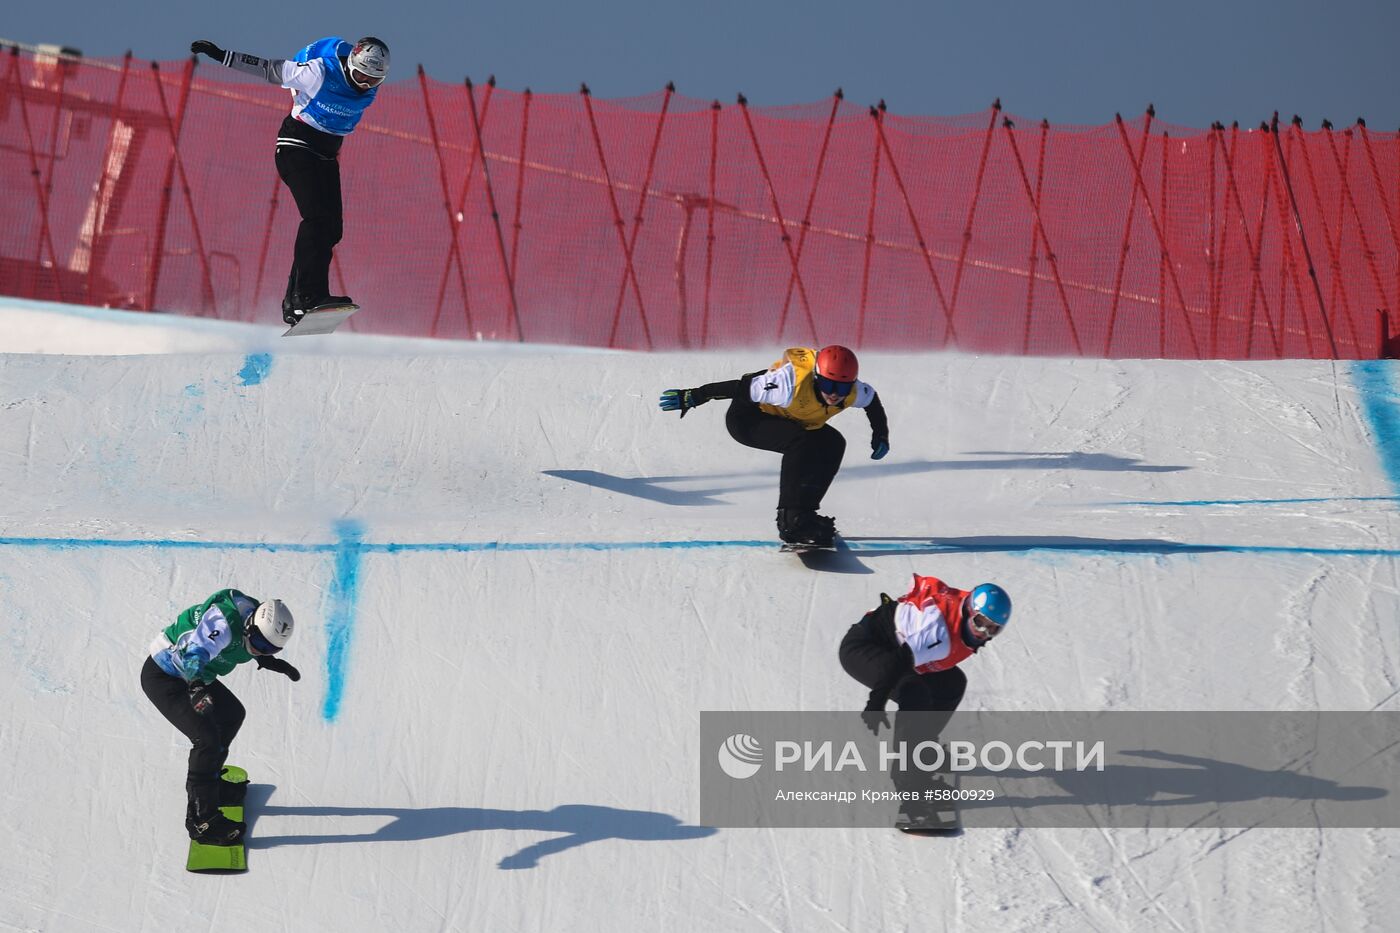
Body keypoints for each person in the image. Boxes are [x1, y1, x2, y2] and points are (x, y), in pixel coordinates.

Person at [189, 35, 390, 325]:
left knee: (332, 228)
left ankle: (294, 302)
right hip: (297, 147)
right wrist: (222, 55)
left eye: (373, 80)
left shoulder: (368, 86)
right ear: (351, 65)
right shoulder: (319, 72)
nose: (364, 84)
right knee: (317, 220)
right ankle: (309, 297)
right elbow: (269, 69)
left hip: (325, 156)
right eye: (360, 75)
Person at [658, 345, 889, 547]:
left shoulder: (854, 391)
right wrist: (695, 396)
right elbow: (739, 387)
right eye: (828, 384)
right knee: (800, 441)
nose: (834, 395)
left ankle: (806, 513)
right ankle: (789, 519)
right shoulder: (788, 383)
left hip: (791, 420)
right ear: (817, 377)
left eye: (842, 388)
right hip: (748, 419)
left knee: (834, 443)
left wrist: (881, 434)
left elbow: (872, 402)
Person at [838, 574, 1011, 830]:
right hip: (865, 647)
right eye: (980, 622)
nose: (984, 632)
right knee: (914, 694)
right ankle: (912, 792)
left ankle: (923, 752)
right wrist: (876, 701)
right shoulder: (938, 634)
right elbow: (897, 664)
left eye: (993, 628)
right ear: (969, 611)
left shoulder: (962, 616)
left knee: (951, 684)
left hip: (898, 647)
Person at [140, 589, 301, 845]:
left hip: (197, 677)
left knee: (231, 715)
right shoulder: (222, 622)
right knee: (206, 739)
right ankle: (202, 821)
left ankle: (212, 787)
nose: (261, 651)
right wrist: (195, 688)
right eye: (260, 645)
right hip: (166, 676)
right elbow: (194, 653)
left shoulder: (256, 622)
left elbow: (249, 645)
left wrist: (268, 660)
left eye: (270, 649)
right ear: (250, 627)